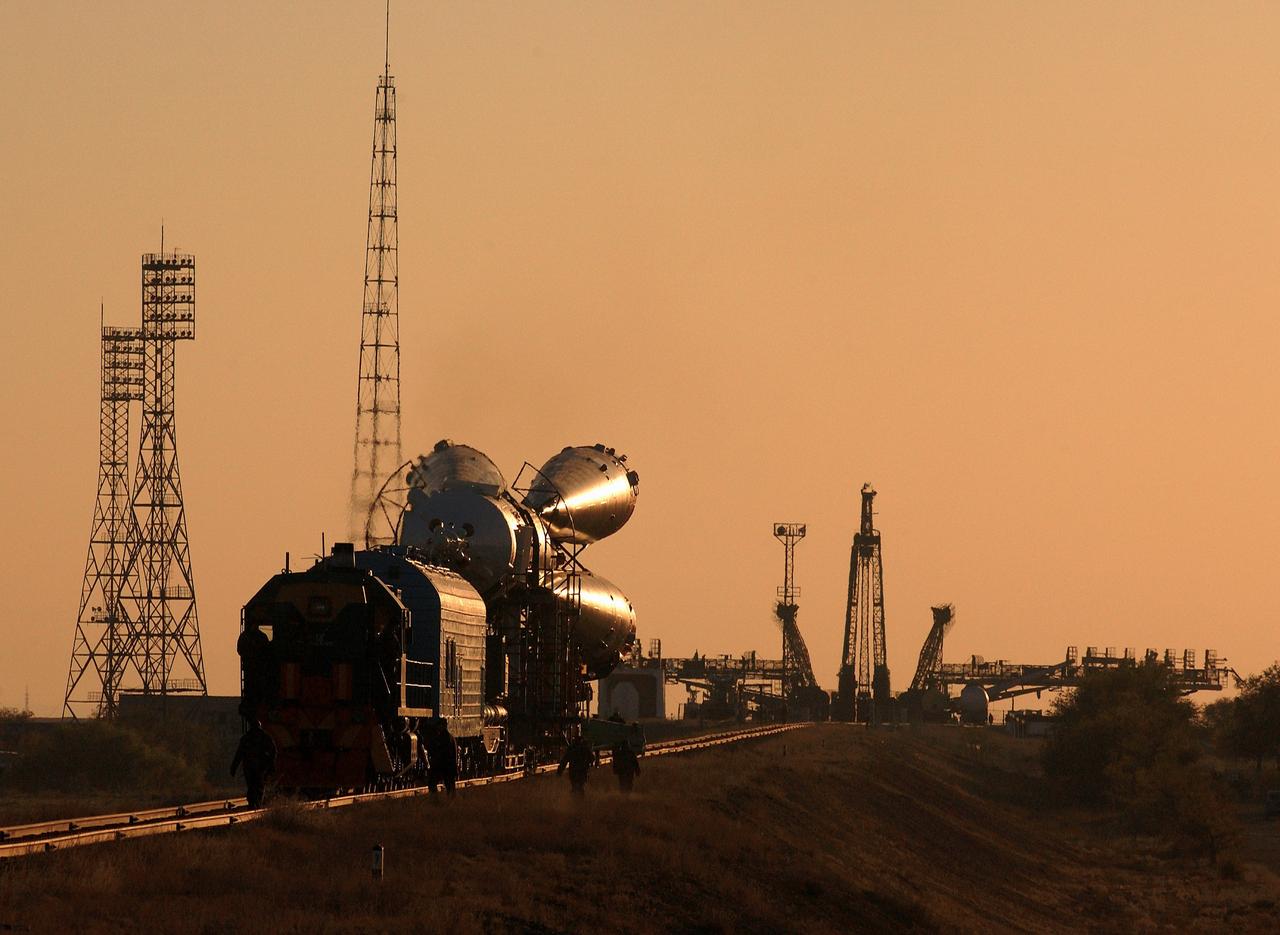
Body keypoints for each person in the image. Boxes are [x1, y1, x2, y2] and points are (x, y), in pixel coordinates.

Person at [230, 720, 276, 808]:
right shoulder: (265, 737)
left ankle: (253, 803)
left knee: (252, 786)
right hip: (260, 767)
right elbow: (273, 751)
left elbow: (239, 754)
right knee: (258, 786)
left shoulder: (247, 738)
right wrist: (271, 764)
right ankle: (256, 804)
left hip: (251, 767)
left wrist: (234, 767)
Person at [424, 718, 458, 798]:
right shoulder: (450, 738)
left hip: (442, 765)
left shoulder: (442, 738)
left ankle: (436, 799)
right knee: (449, 786)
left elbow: (439, 752)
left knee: (433, 783)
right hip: (447, 766)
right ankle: (449, 799)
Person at [558, 732, 596, 799]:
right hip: (582, 771)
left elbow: (564, 760)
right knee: (580, 786)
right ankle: (580, 799)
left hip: (573, 772)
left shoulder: (571, 748)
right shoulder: (585, 748)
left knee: (575, 786)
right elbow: (592, 758)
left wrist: (559, 771)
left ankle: (575, 799)